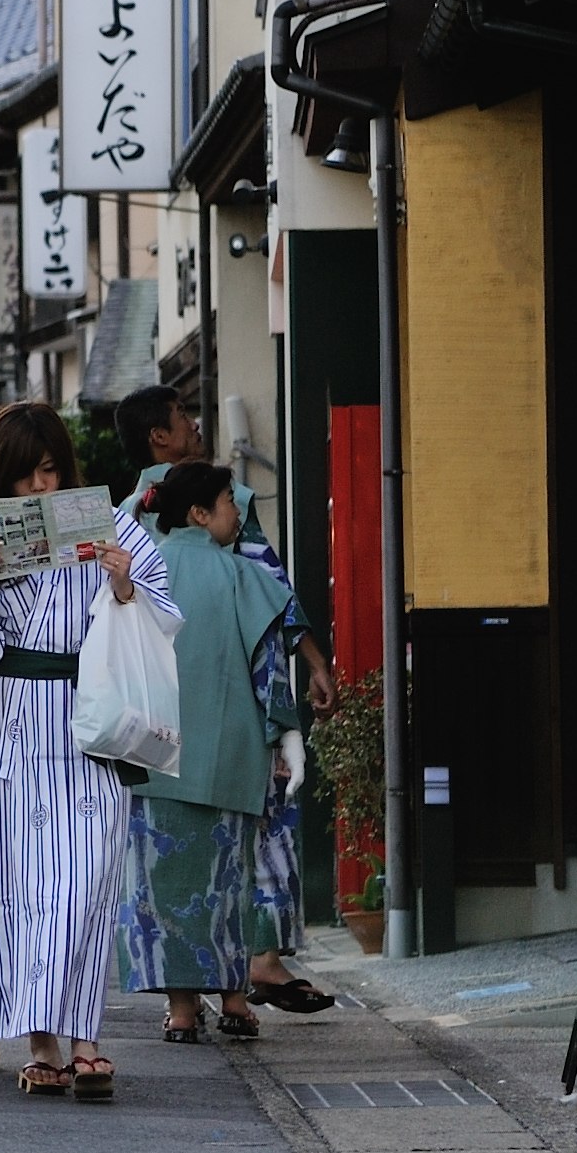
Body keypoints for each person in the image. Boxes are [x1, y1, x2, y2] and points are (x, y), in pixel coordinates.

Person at [0, 402, 173, 1101]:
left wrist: (124, 582)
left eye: (49, 472)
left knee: (84, 882)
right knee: (25, 890)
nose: (39, 489)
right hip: (11, 727)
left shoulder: (112, 528)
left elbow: (161, 612)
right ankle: (44, 1042)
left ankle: (87, 1036)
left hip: (86, 720)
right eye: (24, 476)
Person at [124, 399, 335, 1019]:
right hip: (230, 730)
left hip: (151, 739)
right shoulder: (231, 511)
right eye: (182, 417)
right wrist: (305, 684)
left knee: (162, 876)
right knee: (232, 866)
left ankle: (181, 1006)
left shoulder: (127, 532)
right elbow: (274, 608)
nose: (195, 422)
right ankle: (247, 980)